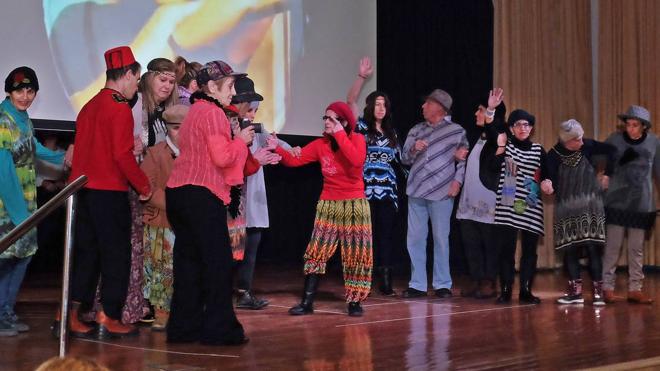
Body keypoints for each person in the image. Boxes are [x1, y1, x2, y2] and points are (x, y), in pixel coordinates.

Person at [165, 60, 253, 345]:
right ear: (212, 87)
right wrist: (240, 140)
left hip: (179, 192)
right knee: (218, 264)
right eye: (229, 86)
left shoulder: (194, 111)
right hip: (201, 194)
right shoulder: (214, 113)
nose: (233, 91)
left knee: (189, 263)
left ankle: (183, 328)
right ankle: (219, 330)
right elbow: (222, 158)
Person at [67, 46, 151, 338]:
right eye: (136, 80)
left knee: (86, 255)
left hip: (84, 192)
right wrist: (143, 185)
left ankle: (68, 314)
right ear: (128, 74)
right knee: (115, 255)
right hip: (110, 192)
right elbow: (122, 156)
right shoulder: (118, 108)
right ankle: (108, 316)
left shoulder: (89, 106)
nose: (136, 87)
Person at [269, 101, 372, 316]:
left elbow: (356, 160)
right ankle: (307, 302)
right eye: (325, 118)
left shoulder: (358, 139)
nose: (326, 122)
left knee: (356, 254)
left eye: (332, 118)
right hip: (328, 204)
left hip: (354, 204)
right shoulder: (320, 145)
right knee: (316, 252)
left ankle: (354, 302)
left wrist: (340, 135)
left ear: (344, 122)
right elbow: (293, 161)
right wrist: (276, 146)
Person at [0, 67, 66, 337]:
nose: (25, 96)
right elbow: (4, 172)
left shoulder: (23, 119)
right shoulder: (3, 121)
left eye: (30, 91)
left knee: (23, 258)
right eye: (19, 90)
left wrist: (62, 157)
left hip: (27, 207)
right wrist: (19, 216)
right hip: (8, 210)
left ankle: (6, 310)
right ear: (9, 91)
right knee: (7, 260)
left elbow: (33, 148)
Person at [124, 57, 178, 325]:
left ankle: (146, 302)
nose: (167, 86)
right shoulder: (135, 106)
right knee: (137, 249)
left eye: (171, 81)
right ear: (148, 78)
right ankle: (136, 303)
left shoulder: (162, 113)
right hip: (131, 184)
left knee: (148, 249)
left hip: (149, 187)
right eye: (162, 79)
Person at [400, 89, 468, 299]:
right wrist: (414, 149)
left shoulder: (456, 131)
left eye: (427, 103)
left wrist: (457, 182)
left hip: (442, 191)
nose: (422, 107)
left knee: (440, 238)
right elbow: (404, 158)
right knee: (415, 238)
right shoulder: (416, 129)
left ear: (439, 107)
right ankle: (417, 284)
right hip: (417, 190)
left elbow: (463, 159)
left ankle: (442, 284)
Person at [346, 57, 404, 296]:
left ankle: (386, 280)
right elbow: (350, 101)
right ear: (371, 107)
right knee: (364, 236)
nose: (381, 108)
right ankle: (363, 280)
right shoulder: (361, 127)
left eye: (385, 105)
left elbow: (401, 162)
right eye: (377, 104)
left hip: (388, 193)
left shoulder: (393, 133)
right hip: (366, 191)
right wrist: (361, 77)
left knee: (386, 237)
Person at [545, 119, 614, 305]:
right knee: (570, 250)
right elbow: (548, 176)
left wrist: (608, 174)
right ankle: (575, 293)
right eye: (578, 139)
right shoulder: (553, 154)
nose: (582, 142)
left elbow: (612, 150)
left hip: (591, 207)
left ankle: (598, 294)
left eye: (582, 137)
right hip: (566, 208)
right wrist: (548, 183)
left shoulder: (588, 146)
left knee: (593, 248)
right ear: (567, 140)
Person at [231, 76, 284, 309]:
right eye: (250, 109)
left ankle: (244, 291)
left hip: (253, 195)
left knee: (252, 244)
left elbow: (281, 146)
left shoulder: (257, 131)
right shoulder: (230, 128)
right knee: (233, 247)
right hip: (236, 196)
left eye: (255, 111)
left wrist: (276, 150)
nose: (252, 115)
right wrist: (257, 158)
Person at [602, 105, 660, 304]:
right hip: (617, 201)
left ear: (643, 127)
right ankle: (607, 286)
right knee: (613, 246)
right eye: (628, 124)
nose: (631, 129)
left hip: (641, 203)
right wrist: (606, 175)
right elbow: (602, 159)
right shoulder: (614, 140)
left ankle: (635, 288)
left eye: (635, 125)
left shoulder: (654, 142)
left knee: (636, 248)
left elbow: (658, 171)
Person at [491, 109, 550, 305]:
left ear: (531, 128)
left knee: (529, 251)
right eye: (518, 125)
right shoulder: (505, 145)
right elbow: (491, 127)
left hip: (531, 204)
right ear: (511, 128)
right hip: (508, 203)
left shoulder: (539, 149)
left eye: (526, 125)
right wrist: (491, 109)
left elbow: (549, 173)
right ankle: (506, 290)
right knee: (505, 249)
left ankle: (526, 290)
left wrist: (549, 182)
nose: (522, 128)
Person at [140, 104, 187, 331]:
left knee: (184, 268)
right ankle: (161, 312)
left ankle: (184, 309)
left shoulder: (197, 154)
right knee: (160, 269)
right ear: (168, 128)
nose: (182, 133)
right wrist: (178, 205)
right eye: (177, 128)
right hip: (162, 222)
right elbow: (146, 189)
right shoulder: (155, 152)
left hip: (189, 224)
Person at [455, 88, 506, 299]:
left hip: (489, 202)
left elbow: (496, 133)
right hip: (468, 202)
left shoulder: (500, 137)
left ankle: (488, 280)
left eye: (480, 110)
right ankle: (476, 279)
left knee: (490, 244)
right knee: (471, 244)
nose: (476, 113)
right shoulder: (476, 137)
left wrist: (491, 111)